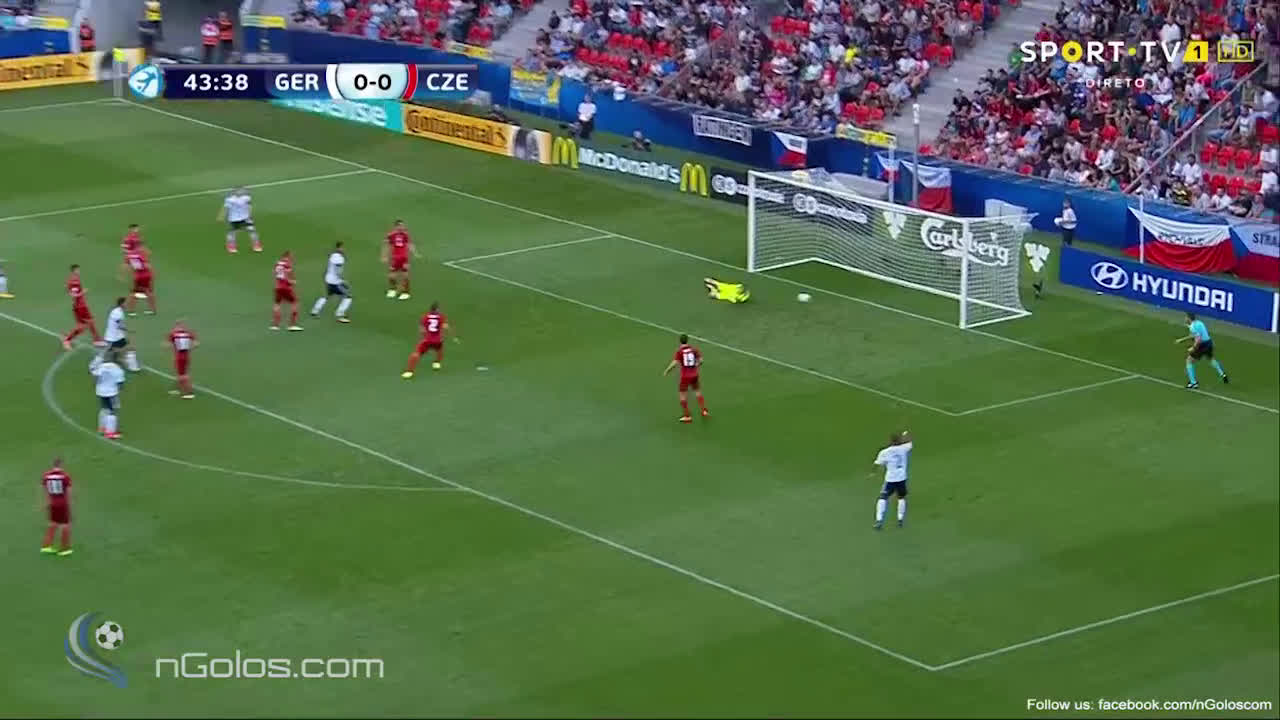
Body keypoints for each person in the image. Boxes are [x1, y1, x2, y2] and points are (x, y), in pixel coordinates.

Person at [662, 334, 709, 423]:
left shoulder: (680, 352)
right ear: (687, 340)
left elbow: (674, 363)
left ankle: (687, 416)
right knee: (697, 392)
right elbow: (701, 361)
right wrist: (696, 366)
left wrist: (667, 371)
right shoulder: (694, 349)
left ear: (680, 341)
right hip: (695, 375)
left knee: (682, 395)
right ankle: (704, 411)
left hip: (685, 376)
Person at [1175, 312, 1228, 388]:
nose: (1185, 319)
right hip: (1209, 342)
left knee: (1189, 360)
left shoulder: (1192, 327)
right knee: (1210, 359)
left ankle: (1193, 383)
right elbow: (1194, 335)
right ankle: (1222, 374)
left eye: (1186, 317)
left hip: (1202, 345)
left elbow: (1198, 339)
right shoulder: (1200, 323)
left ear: (1189, 318)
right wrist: (1181, 340)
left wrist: (1193, 348)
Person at [872, 430, 912, 530]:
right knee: (901, 498)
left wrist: (873, 472)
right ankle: (900, 519)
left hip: (890, 479)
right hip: (901, 478)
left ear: (890, 441)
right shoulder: (904, 448)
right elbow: (909, 441)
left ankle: (879, 520)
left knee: (882, 498)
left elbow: (877, 463)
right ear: (899, 440)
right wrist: (905, 434)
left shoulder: (885, 452)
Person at [403, 302, 452, 377]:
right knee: (439, 349)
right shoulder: (441, 317)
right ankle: (437, 363)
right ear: (437, 310)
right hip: (437, 340)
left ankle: (409, 371)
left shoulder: (425, 317)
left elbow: (422, 329)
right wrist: (449, 334)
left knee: (416, 353)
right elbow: (445, 327)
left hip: (427, 340)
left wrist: (423, 336)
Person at [311, 241, 353, 323]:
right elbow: (338, 271)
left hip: (328, 280)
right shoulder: (339, 258)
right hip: (335, 282)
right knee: (348, 296)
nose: (343, 249)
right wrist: (342, 282)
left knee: (327, 296)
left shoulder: (333, 255)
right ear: (339, 248)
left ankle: (315, 310)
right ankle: (340, 314)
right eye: (342, 247)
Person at [63, 265, 102, 349]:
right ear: (74, 270)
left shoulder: (71, 279)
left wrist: (70, 290)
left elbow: (68, 289)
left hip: (78, 306)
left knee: (83, 326)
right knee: (88, 323)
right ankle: (96, 341)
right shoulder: (75, 281)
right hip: (80, 306)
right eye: (78, 270)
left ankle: (68, 339)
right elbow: (74, 295)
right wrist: (83, 292)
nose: (79, 271)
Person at [41, 458, 74, 556]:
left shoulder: (46, 476)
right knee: (65, 525)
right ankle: (64, 549)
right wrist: (70, 504)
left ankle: (46, 546)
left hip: (52, 502)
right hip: (62, 503)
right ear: (61, 465)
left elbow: (44, 489)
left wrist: (46, 503)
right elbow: (68, 491)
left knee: (53, 524)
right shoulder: (65, 476)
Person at [90, 350, 126, 439]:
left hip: (100, 391)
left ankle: (102, 428)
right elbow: (120, 383)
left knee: (104, 408)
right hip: (111, 392)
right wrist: (119, 389)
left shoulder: (100, 366)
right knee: (112, 411)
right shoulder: (118, 369)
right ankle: (110, 432)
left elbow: (95, 377)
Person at [382, 220, 418, 300]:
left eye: (402, 226)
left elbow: (409, 244)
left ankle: (406, 292)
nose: (402, 227)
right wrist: (384, 256)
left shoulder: (405, 235)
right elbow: (387, 245)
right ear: (396, 226)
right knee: (391, 275)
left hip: (404, 257)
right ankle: (393, 289)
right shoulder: (391, 235)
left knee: (405, 274)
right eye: (400, 226)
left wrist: (415, 253)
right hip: (395, 258)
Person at [218, 187, 261, 254]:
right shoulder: (230, 200)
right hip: (234, 219)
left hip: (245, 218)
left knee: (252, 231)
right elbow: (225, 208)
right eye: (238, 191)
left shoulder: (246, 198)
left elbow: (249, 206)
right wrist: (221, 216)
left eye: (241, 191)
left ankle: (256, 245)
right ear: (234, 192)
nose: (240, 192)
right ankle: (231, 246)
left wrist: (250, 215)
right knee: (232, 233)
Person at [104, 296, 140, 371]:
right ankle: (132, 366)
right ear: (122, 304)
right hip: (114, 338)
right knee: (130, 349)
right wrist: (129, 330)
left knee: (120, 349)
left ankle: (113, 357)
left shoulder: (117, 311)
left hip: (116, 336)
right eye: (126, 302)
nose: (128, 304)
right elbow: (119, 325)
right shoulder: (118, 313)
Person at [123, 240, 156, 315]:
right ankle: (153, 310)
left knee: (134, 293)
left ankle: (130, 310)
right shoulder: (141, 254)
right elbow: (147, 265)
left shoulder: (128, 255)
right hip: (146, 274)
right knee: (148, 292)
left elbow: (128, 266)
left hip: (138, 276)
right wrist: (152, 274)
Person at [271, 251, 302, 331]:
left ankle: (275, 325)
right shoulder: (287, 264)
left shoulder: (277, 264)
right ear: (287, 257)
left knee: (277, 304)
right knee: (295, 302)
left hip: (277, 287)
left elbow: (275, 274)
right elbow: (286, 276)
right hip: (285, 287)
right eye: (291, 257)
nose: (292, 259)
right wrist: (291, 282)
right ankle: (292, 325)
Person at [167, 319, 198, 398]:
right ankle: (179, 389)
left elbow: (167, 345)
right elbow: (196, 344)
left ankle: (189, 393)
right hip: (186, 355)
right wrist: (189, 348)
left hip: (180, 356)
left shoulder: (174, 334)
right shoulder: (189, 333)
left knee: (183, 375)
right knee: (181, 373)